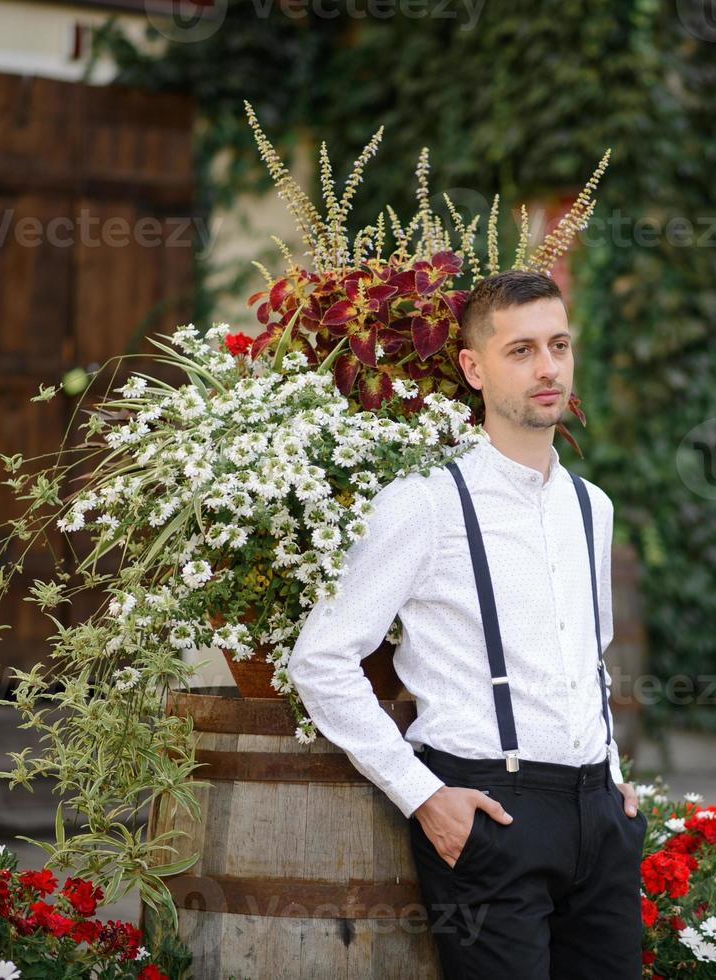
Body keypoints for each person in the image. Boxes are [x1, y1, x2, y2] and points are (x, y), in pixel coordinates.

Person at [289, 268, 646, 977]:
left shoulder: (591, 507)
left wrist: (609, 779)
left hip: (600, 824)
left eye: (559, 345)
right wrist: (423, 796)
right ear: (473, 368)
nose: (547, 368)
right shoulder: (425, 503)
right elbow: (320, 658)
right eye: (520, 351)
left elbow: (589, 656)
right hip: (490, 815)